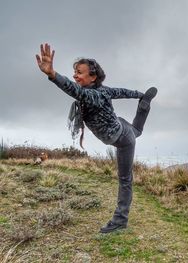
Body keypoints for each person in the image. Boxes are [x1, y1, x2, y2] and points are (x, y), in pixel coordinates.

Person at [36, 43, 157, 233]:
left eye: (79, 72)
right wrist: (140, 95)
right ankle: (144, 106)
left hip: (121, 137)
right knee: (135, 131)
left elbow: (74, 90)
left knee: (125, 178)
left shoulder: (93, 96)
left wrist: (53, 75)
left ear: (93, 77)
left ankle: (119, 220)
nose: (75, 75)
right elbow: (121, 92)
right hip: (122, 131)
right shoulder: (104, 91)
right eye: (74, 71)